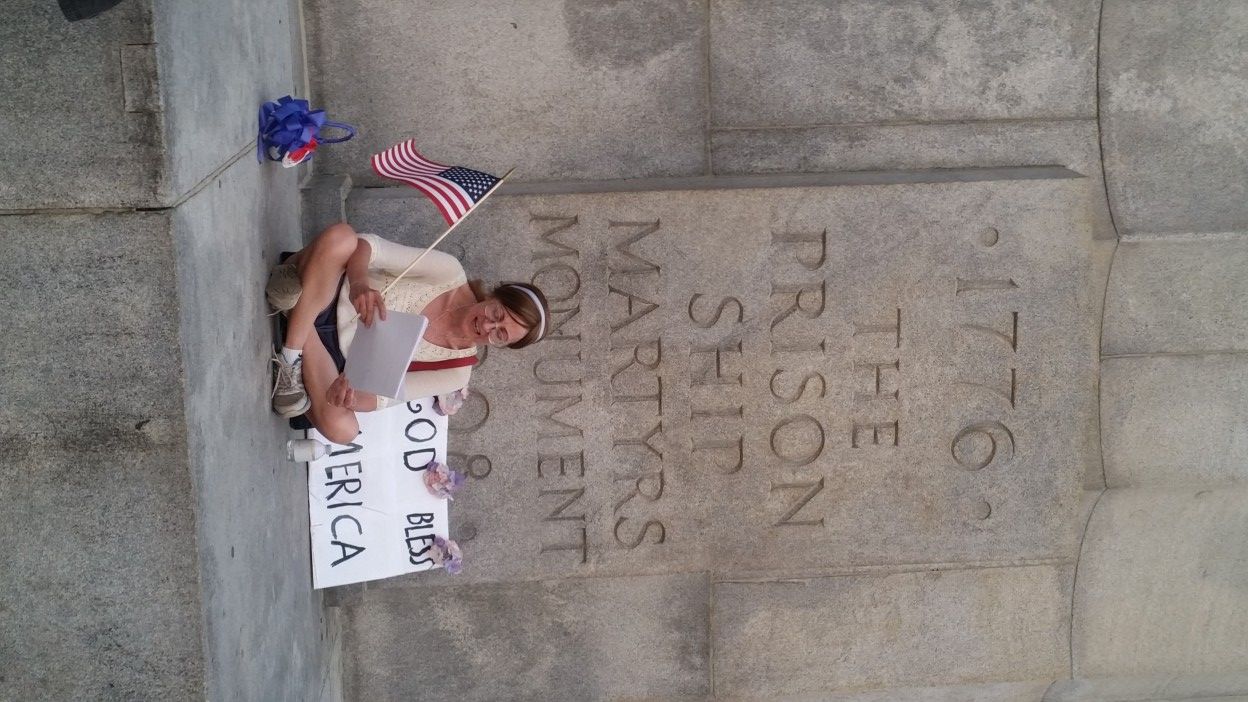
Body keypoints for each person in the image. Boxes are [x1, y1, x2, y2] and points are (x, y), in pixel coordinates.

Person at [266, 223, 548, 444]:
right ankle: (290, 355)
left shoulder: (457, 372)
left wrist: (350, 398)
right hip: (332, 290)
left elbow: (383, 399)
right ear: (496, 296)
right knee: (343, 238)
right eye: (497, 315)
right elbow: (369, 245)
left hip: (329, 359)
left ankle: (296, 308)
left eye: (499, 335)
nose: (487, 326)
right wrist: (360, 284)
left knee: (345, 430)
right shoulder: (449, 273)